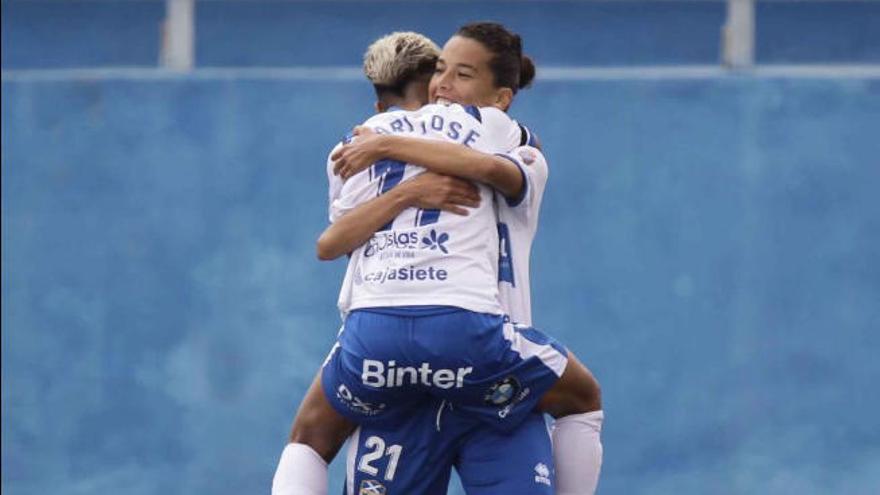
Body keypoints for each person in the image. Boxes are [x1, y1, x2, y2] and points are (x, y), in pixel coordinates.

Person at [275, 25, 604, 494]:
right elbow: (331, 244)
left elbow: (330, 243)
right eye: (439, 70)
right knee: (582, 394)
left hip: (399, 345)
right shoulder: (497, 135)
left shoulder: (369, 139)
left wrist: (384, 144)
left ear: (501, 96)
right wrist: (409, 188)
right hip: (474, 349)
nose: (444, 84)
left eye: (462, 74)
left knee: (311, 432)